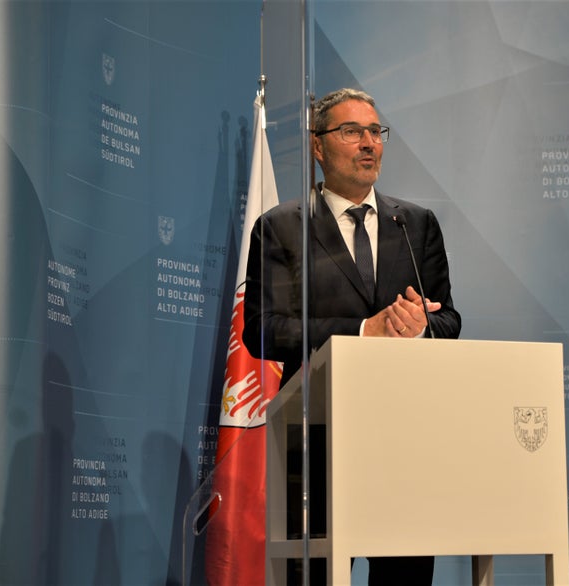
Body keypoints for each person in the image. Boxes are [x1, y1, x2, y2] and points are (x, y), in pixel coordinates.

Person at [243, 88, 462, 585]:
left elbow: (448, 320)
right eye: (351, 132)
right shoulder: (281, 227)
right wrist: (364, 331)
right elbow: (262, 330)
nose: (369, 143)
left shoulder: (416, 225)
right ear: (318, 146)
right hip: (314, 439)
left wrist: (420, 327)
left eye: (375, 132)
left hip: (404, 442)